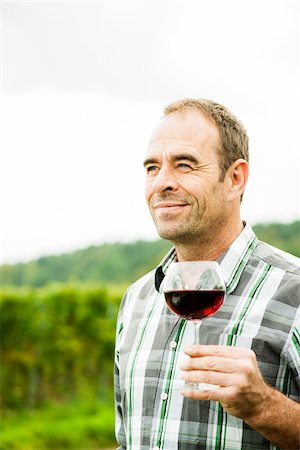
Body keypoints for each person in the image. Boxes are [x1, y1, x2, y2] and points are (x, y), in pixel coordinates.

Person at [114, 98, 300, 450]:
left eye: (184, 165)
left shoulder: (296, 293)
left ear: (235, 178)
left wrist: (263, 406)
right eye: (152, 168)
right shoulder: (135, 301)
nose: (162, 182)